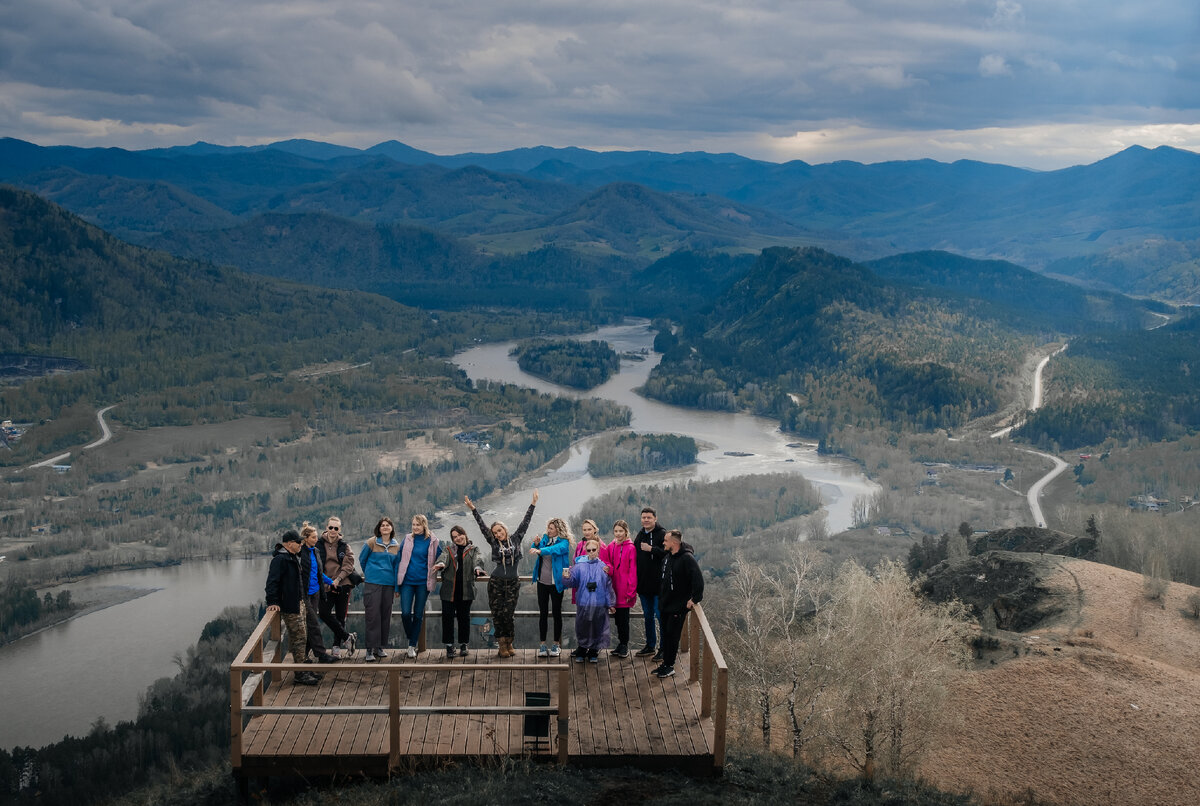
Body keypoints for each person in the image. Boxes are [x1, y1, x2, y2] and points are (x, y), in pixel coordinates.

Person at [466, 489, 538, 658]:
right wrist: (473, 509)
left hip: (513, 582)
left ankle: (510, 641)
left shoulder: (516, 538)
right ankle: (501, 644)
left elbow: (525, 522)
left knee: (509, 614)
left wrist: (533, 503)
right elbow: (482, 526)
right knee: (498, 614)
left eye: (500, 530)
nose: (498, 533)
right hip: (497, 582)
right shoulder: (493, 542)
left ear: (505, 529)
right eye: (495, 532)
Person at [265, 530, 318, 685]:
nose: (301, 544)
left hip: (299, 602)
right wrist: (272, 601)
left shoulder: (293, 557)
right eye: (298, 542)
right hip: (289, 606)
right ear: (288, 543)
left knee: (302, 636)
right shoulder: (280, 560)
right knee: (299, 638)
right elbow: (272, 582)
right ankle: (300, 674)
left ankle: (304, 669)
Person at [652, 529, 704, 679]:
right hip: (665, 604)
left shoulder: (687, 559)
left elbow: (698, 581)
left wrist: (694, 599)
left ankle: (669, 666)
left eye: (666, 541)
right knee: (666, 635)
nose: (663, 543)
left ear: (674, 543)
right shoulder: (668, 557)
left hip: (677, 606)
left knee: (673, 636)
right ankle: (665, 664)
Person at [433, 524, 487, 658]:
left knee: (464, 618)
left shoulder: (474, 549)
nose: (457, 538)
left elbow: (478, 560)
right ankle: (449, 646)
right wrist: (441, 564)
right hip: (448, 591)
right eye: (454, 537)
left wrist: (478, 569)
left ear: (464, 533)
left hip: (466, 590)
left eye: (459, 535)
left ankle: (464, 644)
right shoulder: (448, 549)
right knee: (447, 618)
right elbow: (443, 558)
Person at [562, 538, 616, 663]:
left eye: (593, 549)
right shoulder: (580, 566)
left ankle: (594, 650)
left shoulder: (603, 567)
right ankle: (582, 648)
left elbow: (608, 587)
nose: (591, 552)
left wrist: (611, 603)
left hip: (599, 603)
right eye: (588, 550)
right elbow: (572, 582)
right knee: (582, 626)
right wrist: (566, 577)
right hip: (584, 602)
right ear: (585, 551)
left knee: (598, 626)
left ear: (598, 550)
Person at [396, 514, 440, 659]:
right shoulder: (407, 539)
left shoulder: (432, 540)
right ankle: (411, 636)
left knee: (418, 614)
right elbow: (399, 559)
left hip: (423, 582)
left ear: (424, 525)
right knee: (405, 613)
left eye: (418, 525)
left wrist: (441, 564)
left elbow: (441, 556)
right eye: (413, 524)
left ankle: (411, 645)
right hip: (407, 581)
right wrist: (397, 586)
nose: (415, 527)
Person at [359, 517, 400, 662]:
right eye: (383, 525)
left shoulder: (396, 546)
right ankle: (370, 649)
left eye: (388, 525)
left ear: (391, 528)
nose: (385, 527)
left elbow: (397, 568)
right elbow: (362, 560)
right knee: (372, 616)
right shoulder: (371, 542)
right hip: (373, 584)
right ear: (379, 528)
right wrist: (371, 574)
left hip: (388, 585)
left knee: (385, 616)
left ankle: (380, 647)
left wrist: (396, 587)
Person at [530, 517, 572, 657]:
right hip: (542, 582)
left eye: (551, 528)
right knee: (542, 613)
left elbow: (554, 550)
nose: (548, 530)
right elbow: (537, 549)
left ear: (558, 530)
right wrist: (536, 545)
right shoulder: (545, 539)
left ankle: (556, 644)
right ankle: (542, 645)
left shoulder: (564, 543)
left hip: (556, 584)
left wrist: (541, 550)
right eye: (548, 527)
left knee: (556, 613)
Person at [299, 523, 338, 665]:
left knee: (311, 624)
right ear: (306, 538)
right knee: (313, 624)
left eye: (316, 537)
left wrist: (330, 581)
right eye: (314, 537)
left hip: (315, 592)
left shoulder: (315, 551)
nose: (316, 539)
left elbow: (318, 572)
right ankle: (321, 655)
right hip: (305, 595)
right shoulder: (300, 553)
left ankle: (304, 655)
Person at [318, 516, 356, 656]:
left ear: (340, 529)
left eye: (336, 528)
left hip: (343, 584)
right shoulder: (318, 544)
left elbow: (348, 566)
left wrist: (338, 580)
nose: (333, 530)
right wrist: (328, 581)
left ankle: (336, 647)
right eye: (331, 527)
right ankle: (347, 637)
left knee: (341, 616)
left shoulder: (345, 546)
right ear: (326, 527)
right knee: (323, 612)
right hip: (326, 585)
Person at [633, 507, 667, 659]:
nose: (646, 520)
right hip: (644, 585)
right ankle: (650, 646)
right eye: (643, 517)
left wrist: (651, 549)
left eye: (649, 517)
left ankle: (664, 648)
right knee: (647, 617)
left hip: (659, 585)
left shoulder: (662, 534)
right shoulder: (640, 535)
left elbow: (667, 553)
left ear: (655, 518)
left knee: (660, 616)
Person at [601, 519, 638, 658]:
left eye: (621, 531)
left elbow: (633, 570)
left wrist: (631, 591)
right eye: (616, 531)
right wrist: (608, 569)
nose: (618, 534)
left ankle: (624, 645)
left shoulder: (631, 548)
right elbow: (609, 564)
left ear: (626, 532)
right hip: (613, 588)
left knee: (623, 619)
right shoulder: (611, 546)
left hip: (625, 589)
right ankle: (620, 644)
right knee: (617, 618)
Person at [570, 519, 604, 605]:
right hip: (581, 585)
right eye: (584, 530)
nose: (587, 532)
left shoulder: (600, 545)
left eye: (589, 529)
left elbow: (604, 565)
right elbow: (575, 562)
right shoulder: (580, 545)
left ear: (595, 530)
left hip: (594, 586)